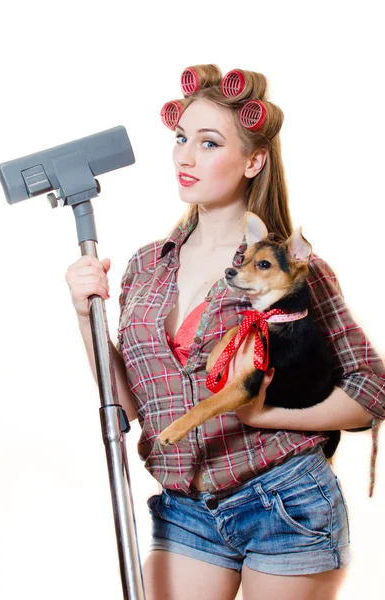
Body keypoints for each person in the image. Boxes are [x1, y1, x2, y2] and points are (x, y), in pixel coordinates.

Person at [65, 64, 385, 600]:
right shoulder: (147, 267)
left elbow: (371, 390)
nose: (185, 157)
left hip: (284, 499)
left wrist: (265, 414)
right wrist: (84, 316)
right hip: (185, 508)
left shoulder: (288, 269)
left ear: (254, 160)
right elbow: (129, 409)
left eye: (209, 143)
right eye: (181, 138)